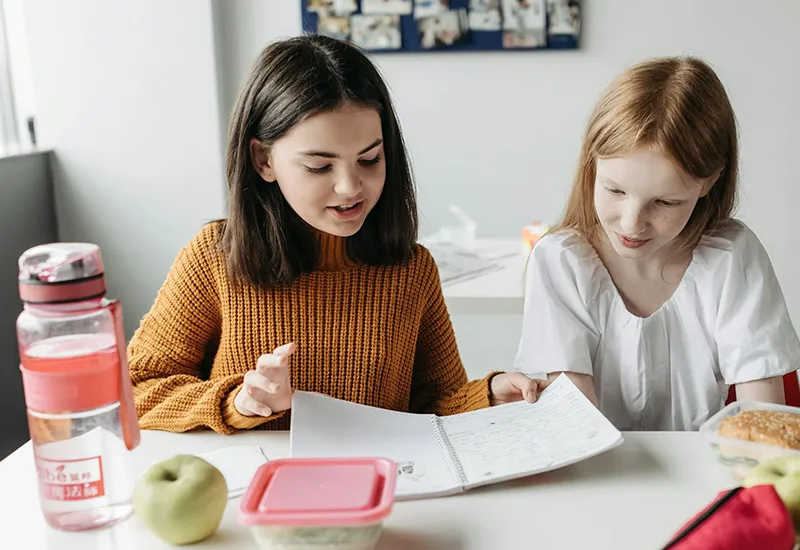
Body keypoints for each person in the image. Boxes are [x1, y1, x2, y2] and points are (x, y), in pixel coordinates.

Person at [128, 35, 546, 434]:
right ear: (263, 160)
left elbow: (436, 401)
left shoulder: (411, 268)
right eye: (319, 166)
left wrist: (487, 396)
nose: (350, 187)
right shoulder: (215, 257)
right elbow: (136, 389)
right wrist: (237, 403)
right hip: (257, 494)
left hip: (383, 491)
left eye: (370, 159)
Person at [513, 56, 800, 431]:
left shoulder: (732, 256)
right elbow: (574, 423)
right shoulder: (561, 260)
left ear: (708, 183)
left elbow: (762, 423)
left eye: (665, 202)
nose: (632, 222)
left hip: (709, 473)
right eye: (615, 190)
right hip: (598, 475)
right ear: (592, 165)